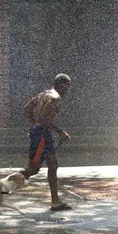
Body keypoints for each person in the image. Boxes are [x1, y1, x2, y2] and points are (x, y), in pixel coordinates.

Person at [20, 73, 72, 211]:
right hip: (42, 135)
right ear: (62, 85)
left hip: (40, 133)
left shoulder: (43, 94)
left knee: (53, 165)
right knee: (33, 169)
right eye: (67, 86)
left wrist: (33, 125)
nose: (67, 90)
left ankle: (55, 201)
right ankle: (3, 185)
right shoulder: (56, 98)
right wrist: (60, 131)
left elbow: (26, 109)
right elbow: (44, 119)